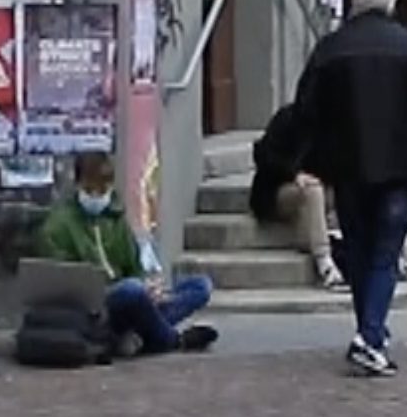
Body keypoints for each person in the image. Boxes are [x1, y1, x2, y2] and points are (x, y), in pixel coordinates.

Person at [291, 0, 407, 379]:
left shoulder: (329, 49)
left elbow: (306, 108)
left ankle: (369, 331)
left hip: (347, 168)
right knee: (384, 255)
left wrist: (319, 149)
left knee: (361, 253)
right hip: (397, 166)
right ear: (391, 3)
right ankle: (370, 336)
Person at [36, 151, 215, 356]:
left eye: (102, 190)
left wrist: (151, 289)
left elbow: (134, 266)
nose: (96, 196)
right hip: (99, 306)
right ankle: (173, 340)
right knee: (131, 290)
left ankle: (140, 331)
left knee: (200, 286)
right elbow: (61, 279)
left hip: (132, 298)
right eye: (89, 190)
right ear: (77, 185)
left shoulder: (116, 218)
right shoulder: (59, 224)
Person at [247, 102, 345, 292]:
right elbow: (264, 154)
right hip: (277, 191)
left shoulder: (333, 126)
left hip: (312, 199)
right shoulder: (288, 119)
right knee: (313, 189)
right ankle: (325, 263)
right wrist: (294, 174)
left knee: (347, 188)